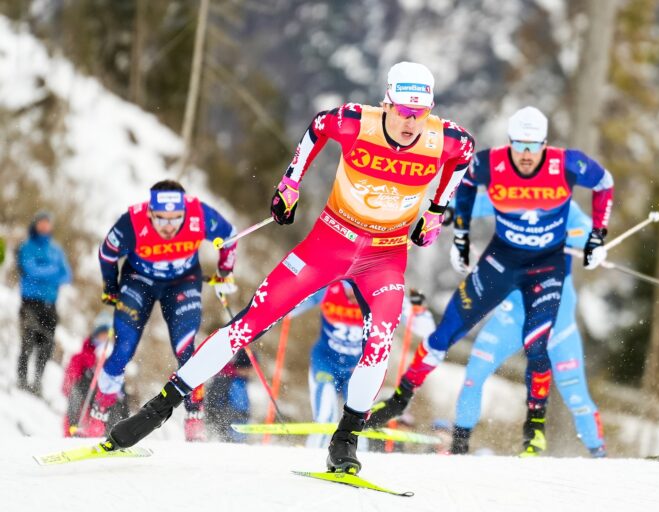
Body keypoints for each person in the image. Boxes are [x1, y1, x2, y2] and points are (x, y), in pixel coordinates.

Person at [106, 61, 474, 474]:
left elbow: (464, 154)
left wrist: (437, 209)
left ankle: (345, 439)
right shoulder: (356, 122)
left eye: (420, 113)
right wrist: (290, 184)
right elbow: (318, 127)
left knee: (381, 341)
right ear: (386, 103)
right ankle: (159, 409)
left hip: (383, 258)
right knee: (249, 323)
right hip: (329, 243)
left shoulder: (446, 139)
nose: (411, 123)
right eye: (404, 111)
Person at [368, 106, 614, 457]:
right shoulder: (491, 165)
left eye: (534, 147)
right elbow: (467, 188)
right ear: (510, 143)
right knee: (447, 335)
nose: (526, 155)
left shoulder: (567, 166)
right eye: (520, 146)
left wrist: (596, 239)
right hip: (502, 262)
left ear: (545, 145)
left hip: (546, 269)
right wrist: (460, 232)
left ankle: (536, 432)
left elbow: (603, 184)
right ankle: (402, 401)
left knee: (539, 348)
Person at [77, 180, 239, 441]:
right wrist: (110, 286)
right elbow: (107, 253)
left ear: (184, 212)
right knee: (123, 348)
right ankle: (98, 414)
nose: (168, 226)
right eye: (160, 219)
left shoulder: (199, 215)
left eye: (175, 219)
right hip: (138, 281)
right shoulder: (133, 220)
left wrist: (224, 274)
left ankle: (194, 417)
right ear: (150, 212)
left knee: (186, 348)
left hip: (182, 282)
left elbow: (230, 236)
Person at [449, 196, 606, 457]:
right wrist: (447, 211)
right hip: (513, 315)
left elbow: (590, 233)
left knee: (576, 396)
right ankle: (458, 446)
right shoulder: (508, 193)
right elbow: (465, 203)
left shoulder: (564, 205)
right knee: (474, 375)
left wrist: (576, 239)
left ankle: (599, 454)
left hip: (557, 320)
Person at [287, 283, 435, 448]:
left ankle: (352, 459)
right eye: (349, 288)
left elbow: (426, 330)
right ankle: (314, 455)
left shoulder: (379, 296)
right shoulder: (328, 289)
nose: (353, 296)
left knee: (358, 420)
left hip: (356, 368)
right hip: (325, 362)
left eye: (357, 290)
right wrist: (289, 291)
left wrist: (419, 310)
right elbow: (288, 309)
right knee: (326, 414)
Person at [16, 211, 72, 395]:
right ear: (35, 224)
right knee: (28, 339)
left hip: (50, 304)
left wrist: (46, 273)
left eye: (48, 223)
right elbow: (30, 270)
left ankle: (37, 381)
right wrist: (52, 272)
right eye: (42, 223)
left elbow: (67, 275)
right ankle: (22, 378)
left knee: (47, 344)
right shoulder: (28, 246)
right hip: (30, 302)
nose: (44, 226)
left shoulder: (56, 250)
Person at [62, 312, 130, 436]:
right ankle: (75, 431)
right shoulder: (82, 356)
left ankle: (116, 435)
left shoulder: (115, 359)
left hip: (106, 401)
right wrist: (89, 370)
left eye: (108, 337)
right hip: (85, 398)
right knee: (78, 391)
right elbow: (68, 385)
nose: (104, 340)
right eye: (101, 336)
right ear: (95, 336)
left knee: (119, 396)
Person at [204, 349, 252, 443]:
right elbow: (214, 402)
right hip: (229, 422)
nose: (250, 372)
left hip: (231, 421)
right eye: (248, 369)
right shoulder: (231, 381)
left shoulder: (238, 380)